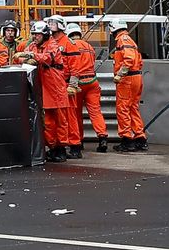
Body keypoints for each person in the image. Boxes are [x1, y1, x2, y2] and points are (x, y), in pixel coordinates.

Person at [14, 21, 69, 162]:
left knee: (60, 120)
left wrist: (31, 56)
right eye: (33, 34)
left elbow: (47, 58)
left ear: (44, 34)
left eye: (37, 34)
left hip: (55, 87)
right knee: (48, 122)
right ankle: (53, 147)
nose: (34, 37)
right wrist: (24, 57)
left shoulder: (53, 44)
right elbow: (20, 57)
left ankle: (61, 148)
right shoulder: (33, 46)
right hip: (43, 87)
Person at [65, 23, 108, 154]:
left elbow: (69, 65)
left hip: (77, 83)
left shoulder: (71, 45)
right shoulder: (89, 46)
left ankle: (78, 141)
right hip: (92, 81)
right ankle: (102, 137)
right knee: (95, 111)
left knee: (76, 114)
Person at [109, 18, 147, 152]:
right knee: (133, 108)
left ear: (113, 28)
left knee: (123, 108)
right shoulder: (129, 39)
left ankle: (127, 139)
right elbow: (138, 60)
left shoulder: (122, 39)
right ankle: (140, 138)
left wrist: (120, 74)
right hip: (135, 77)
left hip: (128, 79)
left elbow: (129, 59)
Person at [45, 15, 80, 154]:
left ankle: (75, 145)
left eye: (53, 23)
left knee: (70, 116)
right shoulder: (51, 42)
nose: (50, 25)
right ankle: (63, 144)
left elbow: (75, 65)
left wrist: (73, 84)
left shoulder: (68, 43)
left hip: (66, 84)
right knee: (58, 119)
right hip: (55, 85)